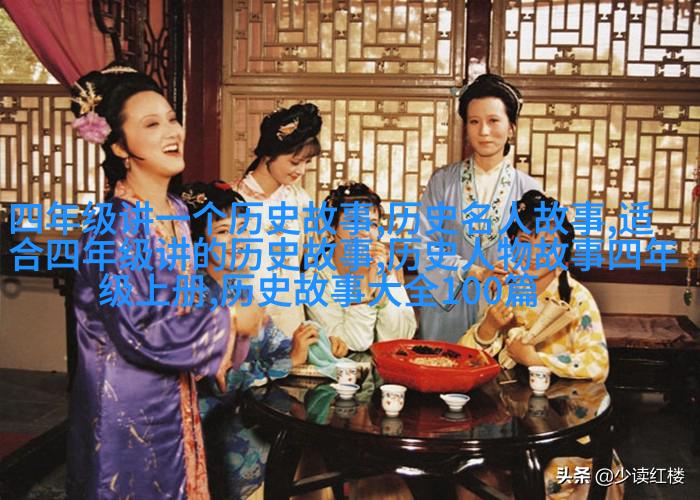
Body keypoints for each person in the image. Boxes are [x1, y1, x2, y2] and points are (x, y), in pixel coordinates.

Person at [67, 64, 237, 498]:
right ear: (119, 146)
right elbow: (137, 328)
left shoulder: (176, 211)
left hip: (172, 392)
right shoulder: (114, 227)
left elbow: (182, 300)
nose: (172, 132)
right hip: (124, 404)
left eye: (172, 119)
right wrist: (228, 322)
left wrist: (221, 305)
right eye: (151, 124)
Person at [458, 190, 623, 499]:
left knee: (547, 485)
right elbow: (467, 361)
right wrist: (488, 328)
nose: (535, 253)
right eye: (525, 242)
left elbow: (597, 365)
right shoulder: (505, 291)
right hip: (509, 429)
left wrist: (534, 359)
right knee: (469, 481)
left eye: (548, 244)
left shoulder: (577, 298)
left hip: (569, 431)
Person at [181, 180, 327, 499]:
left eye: (243, 229)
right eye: (223, 231)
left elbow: (274, 345)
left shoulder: (240, 288)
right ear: (198, 241)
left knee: (315, 454)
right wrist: (285, 362)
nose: (238, 240)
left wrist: (299, 346)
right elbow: (223, 379)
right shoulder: (193, 296)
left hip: (250, 416)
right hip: (216, 429)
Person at [416, 74, 541, 342]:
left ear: (511, 128)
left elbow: (540, 253)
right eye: (474, 122)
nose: (483, 131)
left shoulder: (530, 190)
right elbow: (424, 245)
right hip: (447, 306)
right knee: (444, 364)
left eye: (493, 120)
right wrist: (474, 271)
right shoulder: (442, 182)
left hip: (503, 307)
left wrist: (510, 273)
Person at [228, 103, 326, 339]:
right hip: (243, 321)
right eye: (295, 162)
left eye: (306, 163)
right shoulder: (230, 200)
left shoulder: (300, 201)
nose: (301, 171)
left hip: (290, 321)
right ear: (269, 153)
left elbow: (312, 262)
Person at [304, 181, 417, 352]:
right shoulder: (315, 279)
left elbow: (399, 339)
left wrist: (379, 288)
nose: (365, 232)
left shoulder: (383, 267)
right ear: (333, 227)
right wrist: (364, 285)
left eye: (373, 224)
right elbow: (351, 344)